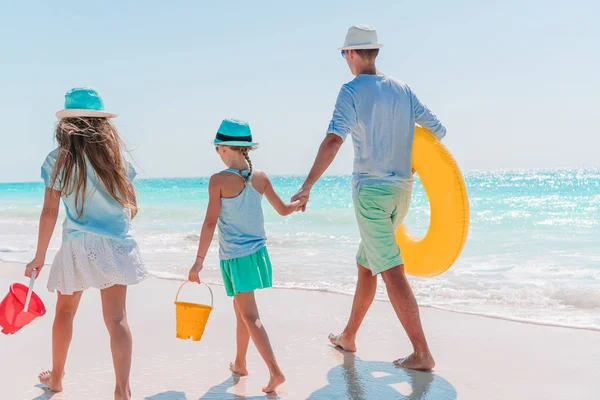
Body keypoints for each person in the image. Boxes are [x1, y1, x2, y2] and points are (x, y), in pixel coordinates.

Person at [291, 25, 446, 371]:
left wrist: (308, 185)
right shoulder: (402, 89)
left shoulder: (351, 91)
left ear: (350, 54)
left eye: (344, 54)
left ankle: (422, 352)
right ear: (373, 52)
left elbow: (334, 140)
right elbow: (437, 129)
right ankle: (348, 336)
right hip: (402, 193)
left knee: (392, 271)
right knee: (366, 265)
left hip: (371, 195)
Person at [25, 88, 147, 399]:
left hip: (78, 244)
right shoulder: (114, 156)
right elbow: (131, 204)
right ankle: (122, 390)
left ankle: (56, 379)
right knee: (117, 319)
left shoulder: (58, 160)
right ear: (102, 124)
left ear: (66, 125)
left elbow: (50, 211)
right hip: (117, 242)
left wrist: (39, 257)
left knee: (65, 313)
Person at [187, 118, 306, 393]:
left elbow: (209, 223)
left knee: (249, 315)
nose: (217, 153)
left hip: (236, 258)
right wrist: (300, 200)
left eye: (217, 148)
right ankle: (240, 363)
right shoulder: (261, 177)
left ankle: (275, 372)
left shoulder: (218, 180)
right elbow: (284, 210)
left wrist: (199, 261)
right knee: (241, 311)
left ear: (225, 148)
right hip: (257, 255)